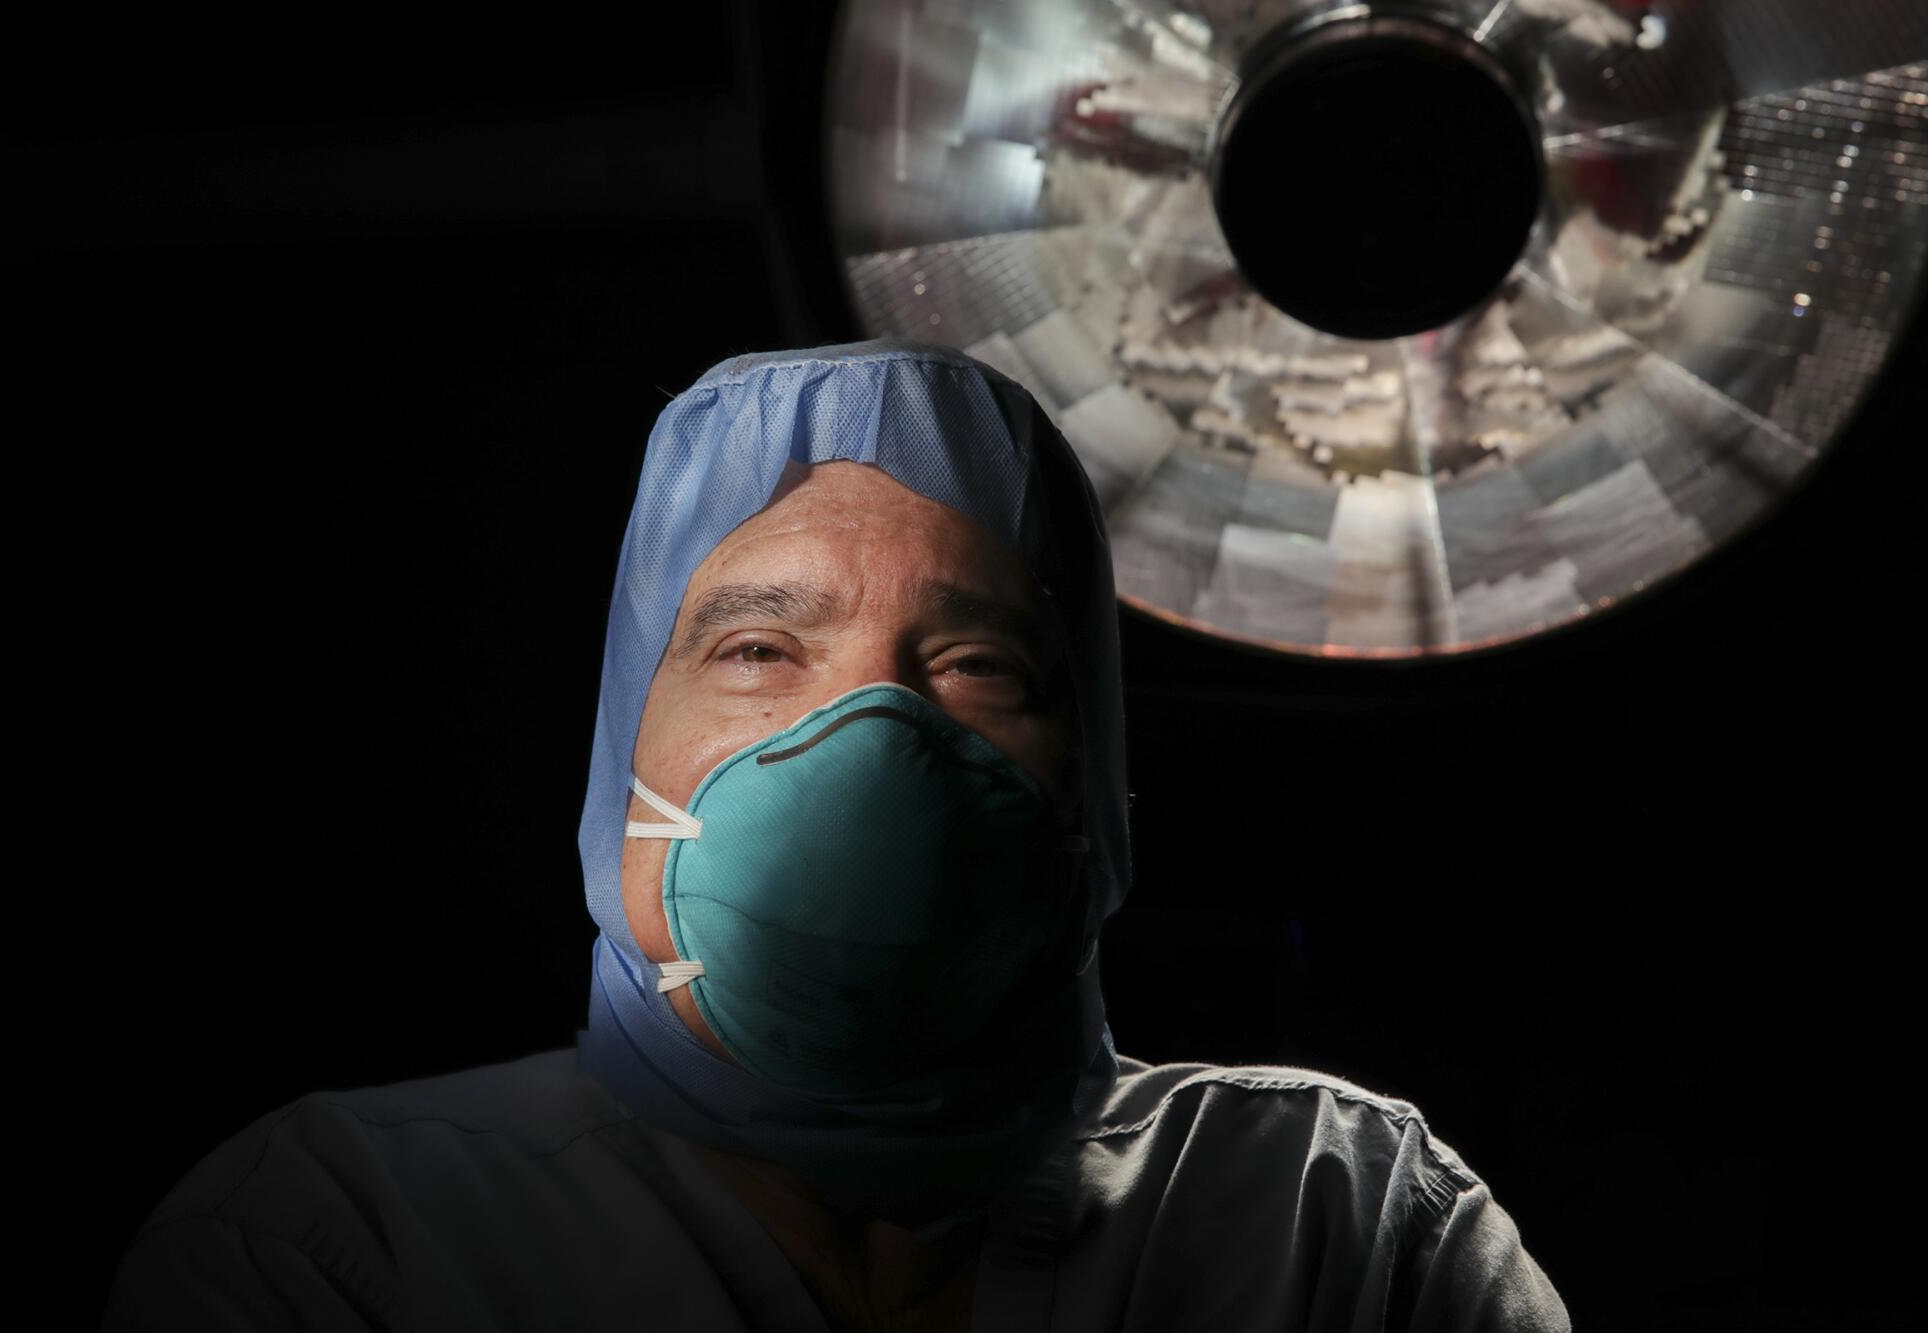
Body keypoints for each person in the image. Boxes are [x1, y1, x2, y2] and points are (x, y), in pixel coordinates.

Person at [103, 340, 1571, 1332]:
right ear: (628, 749)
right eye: (755, 648)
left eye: (980, 665)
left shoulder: (1340, 1229)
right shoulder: (341, 1243)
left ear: (1097, 779)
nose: (873, 732)